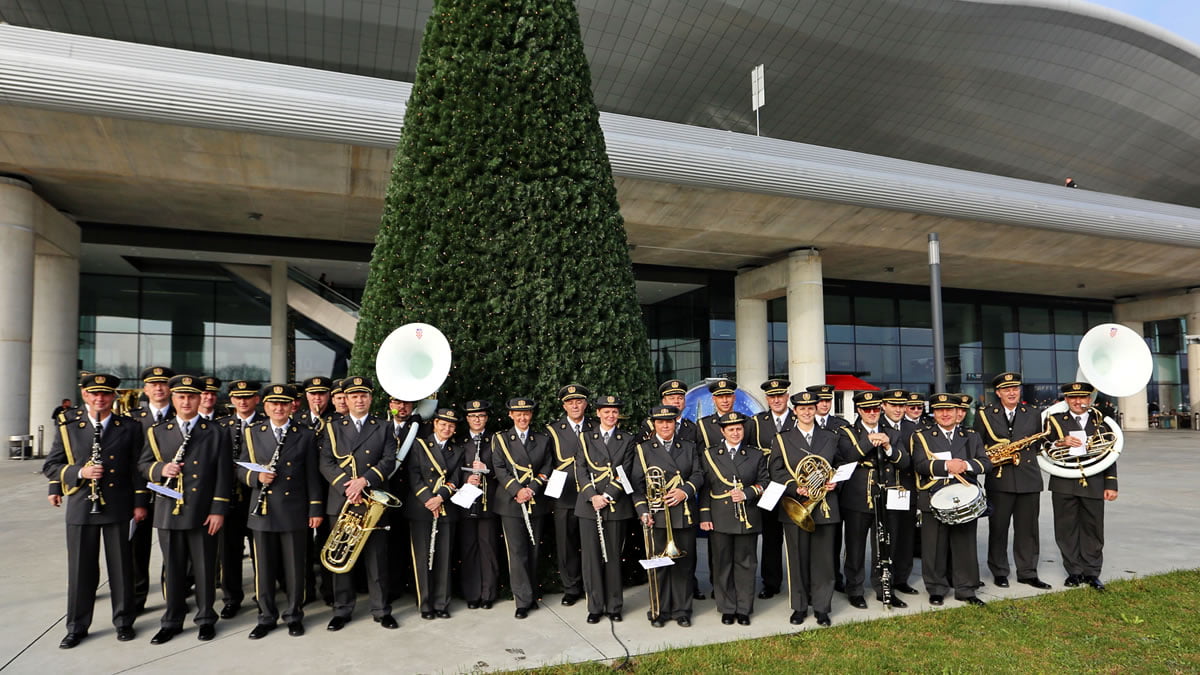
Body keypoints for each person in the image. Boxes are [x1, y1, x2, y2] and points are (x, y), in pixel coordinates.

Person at [44, 373, 147, 648]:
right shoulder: (69, 426)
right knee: (80, 569)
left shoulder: (130, 427)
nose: (100, 398)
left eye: (106, 393)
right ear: (85, 395)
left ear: (114, 396)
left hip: (118, 503)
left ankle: (124, 621)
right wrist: (80, 472)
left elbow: (137, 467)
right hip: (81, 504)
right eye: (94, 393)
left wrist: (139, 503)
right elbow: (52, 465)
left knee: (121, 567)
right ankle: (77, 626)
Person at [140, 374, 233, 644]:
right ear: (173, 398)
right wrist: (160, 469)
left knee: (205, 568)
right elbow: (142, 465)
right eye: (182, 396)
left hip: (203, 512)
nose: (187, 401)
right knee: (174, 568)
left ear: (200, 398)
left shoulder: (215, 431)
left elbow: (223, 474)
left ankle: (205, 618)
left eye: (192, 396)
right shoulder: (158, 431)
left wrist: (218, 510)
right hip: (169, 510)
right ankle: (172, 619)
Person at [241, 383, 325, 639]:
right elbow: (240, 468)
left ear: (292, 406)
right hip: (263, 510)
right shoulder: (253, 433)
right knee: (264, 570)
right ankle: (266, 616)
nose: (279, 408)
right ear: (265, 406)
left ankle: (293, 615)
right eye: (274, 404)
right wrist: (255, 478)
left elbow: (313, 475)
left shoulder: (306, 434)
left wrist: (315, 509)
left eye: (284, 404)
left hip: (294, 510)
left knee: (295, 568)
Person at [317, 376, 398, 631]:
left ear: (370, 399)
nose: (359, 400)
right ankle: (342, 610)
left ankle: (381, 610)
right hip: (343, 500)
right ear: (346, 399)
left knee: (378, 559)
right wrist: (348, 486)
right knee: (341, 556)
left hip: (372, 498)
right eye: (354, 396)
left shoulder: (383, 426)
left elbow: (388, 460)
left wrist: (363, 481)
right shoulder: (332, 426)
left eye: (363, 395)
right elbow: (325, 462)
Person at [769, 391, 850, 627]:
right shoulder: (782, 439)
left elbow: (841, 464)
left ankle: (822, 607)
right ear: (795, 411)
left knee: (824, 560)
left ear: (816, 410)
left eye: (810, 408)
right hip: (796, 506)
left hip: (825, 506)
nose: (806, 412)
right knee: (797, 559)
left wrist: (837, 480)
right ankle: (800, 606)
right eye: (802, 409)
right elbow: (776, 471)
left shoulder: (830, 437)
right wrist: (796, 487)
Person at [909, 393, 991, 607]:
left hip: (962, 499)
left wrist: (964, 465)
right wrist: (946, 466)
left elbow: (985, 463)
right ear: (933, 413)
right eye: (939, 410)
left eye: (949, 410)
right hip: (932, 498)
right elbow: (919, 464)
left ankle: (966, 589)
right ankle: (936, 589)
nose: (944, 414)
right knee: (933, 547)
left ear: (958, 413)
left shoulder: (971, 436)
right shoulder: (922, 436)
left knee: (964, 545)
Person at [975, 372, 1051, 590]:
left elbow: (1038, 445)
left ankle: (1028, 572)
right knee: (998, 529)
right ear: (998, 392)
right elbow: (978, 445)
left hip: (1028, 479)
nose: (1011, 392)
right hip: (1000, 480)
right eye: (1006, 389)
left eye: (1015, 388)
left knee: (1028, 530)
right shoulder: (985, 414)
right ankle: (999, 572)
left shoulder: (1034, 413)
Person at [835, 391, 907, 609]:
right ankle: (854, 589)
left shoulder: (891, 433)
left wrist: (888, 447)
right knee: (855, 547)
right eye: (867, 409)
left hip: (887, 497)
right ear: (859, 410)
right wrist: (869, 442)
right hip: (857, 498)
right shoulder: (847, 432)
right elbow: (847, 457)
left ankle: (884, 588)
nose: (872, 413)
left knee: (885, 547)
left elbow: (905, 462)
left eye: (876, 409)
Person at [633, 405, 703, 628]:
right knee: (659, 565)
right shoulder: (643, 449)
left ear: (675, 423)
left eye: (669, 422)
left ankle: (683, 610)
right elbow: (637, 484)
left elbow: (699, 474)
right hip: (657, 516)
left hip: (683, 514)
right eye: (660, 422)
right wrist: (643, 511)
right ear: (654, 424)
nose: (665, 425)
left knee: (684, 565)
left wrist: (685, 490)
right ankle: (660, 609)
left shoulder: (689, 447)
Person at [1044, 382, 1118, 591]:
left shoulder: (1102, 421)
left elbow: (1110, 454)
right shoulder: (1054, 421)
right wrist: (1060, 443)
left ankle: (1093, 572)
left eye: (1082, 398)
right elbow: (1042, 447)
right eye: (1073, 398)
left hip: (1094, 482)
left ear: (1089, 400)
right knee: (1065, 529)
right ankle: (1074, 572)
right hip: (1063, 481)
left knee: (1093, 528)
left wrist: (1111, 483)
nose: (1078, 402)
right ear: (1066, 400)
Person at [699, 411, 769, 626]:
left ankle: (744, 608)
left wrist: (747, 493)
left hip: (747, 515)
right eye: (731, 429)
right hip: (720, 516)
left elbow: (765, 482)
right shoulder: (710, 454)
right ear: (722, 431)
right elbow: (705, 487)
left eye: (739, 429)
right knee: (722, 564)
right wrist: (704, 514)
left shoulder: (755, 455)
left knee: (746, 564)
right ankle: (727, 607)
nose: (736, 432)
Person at [574, 394, 635, 623]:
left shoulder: (627, 439)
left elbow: (625, 470)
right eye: (606, 411)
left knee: (613, 557)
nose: (610, 415)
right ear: (598, 413)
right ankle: (595, 606)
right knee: (591, 558)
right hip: (589, 506)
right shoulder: (586, 437)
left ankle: (615, 605)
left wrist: (607, 495)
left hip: (615, 505)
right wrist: (593, 496)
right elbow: (580, 469)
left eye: (615, 411)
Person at [491, 397, 553, 619]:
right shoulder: (500, 439)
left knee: (534, 549)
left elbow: (547, 466)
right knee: (517, 552)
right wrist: (517, 490)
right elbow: (498, 467)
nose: (523, 417)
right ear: (510, 415)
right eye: (518, 414)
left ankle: (533, 593)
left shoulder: (542, 440)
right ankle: (522, 600)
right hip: (511, 503)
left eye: (526, 413)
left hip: (535, 501)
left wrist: (532, 488)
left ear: (531, 415)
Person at [404, 407, 465, 620]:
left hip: (445, 507)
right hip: (421, 508)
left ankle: (442, 603)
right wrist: (428, 499)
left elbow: (456, 478)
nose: (446, 428)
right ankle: (425, 603)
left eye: (451, 426)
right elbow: (413, 475)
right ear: (435, 424)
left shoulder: (457, 451)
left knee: (443, 558)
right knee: (422, 558)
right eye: (443, 424)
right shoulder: (419, 445)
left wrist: (440, 497)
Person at [127, 365, 175, 614]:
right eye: (153, 384)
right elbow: (131, 460)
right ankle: (137, 598)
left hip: (174, 494)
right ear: (145, 389)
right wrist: (137, 498)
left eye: (164, 383)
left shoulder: (182, 414)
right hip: (141, 493)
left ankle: (174, 594)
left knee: (175, 548)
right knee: (138, 549)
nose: (158, 388)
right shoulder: (132, 419)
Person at [214, 379, 263, 619]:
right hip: (229, 499)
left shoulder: (266, 424)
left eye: (248, 397)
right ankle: (231, 598)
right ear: (231, 400)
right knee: (229, 553)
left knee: (260, 551)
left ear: (257, 399)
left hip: (258, 498)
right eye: (238, 397)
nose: (242, 401)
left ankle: (261, 594)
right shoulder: (220, 425)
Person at [545, 384, 592, 607]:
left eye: (579, 401)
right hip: (564, 496)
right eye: (570, 402)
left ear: (585, 404)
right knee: (567, 545)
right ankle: (571, 588)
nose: (575, 405)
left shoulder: (594, 427)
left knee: (591, 544)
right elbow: (548, 463)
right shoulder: (552, 430)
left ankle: (592, 586)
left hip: (591, 495)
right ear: (564, 405)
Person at [748, 378, 793, 600]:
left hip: (796, 489)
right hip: (768, 488)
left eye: (780, 395)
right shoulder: (756, 422)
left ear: (787, 396)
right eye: (772, 396)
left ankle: (800, 582)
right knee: (771, 539)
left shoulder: (800, 418)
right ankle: (771, 582)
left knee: (798, 539)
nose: (776, 400)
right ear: (767, 399)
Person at [456, 399, 499, 610]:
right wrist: (465, 480)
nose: (477, 419)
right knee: (469, 549)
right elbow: (452, 469)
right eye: (473, 416)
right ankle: (472, 594)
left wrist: (487, 469)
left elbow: (502, 468)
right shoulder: (460, 440)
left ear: (486, 418)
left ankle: (488, 594)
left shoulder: (495, 440)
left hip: (488, 502)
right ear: (467, 419)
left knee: (488, 548)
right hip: (466, 502)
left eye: (481, 416)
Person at [877, 389, 920, 597]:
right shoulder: (878, 426)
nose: (898, 409)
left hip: (908, 488)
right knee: (888, 539)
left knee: (906, 537)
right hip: (887, 488)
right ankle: (886, 581)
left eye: (901, 406)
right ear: (883, 406)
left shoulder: (913, 427)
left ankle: (902, 579)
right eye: (893, 405)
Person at [639, 380, 699, 445]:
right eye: (672, 398)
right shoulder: (650, 425)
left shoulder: (692, 427)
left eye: (680, 398)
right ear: (664, 401)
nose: (676, 401)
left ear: (685, 401)